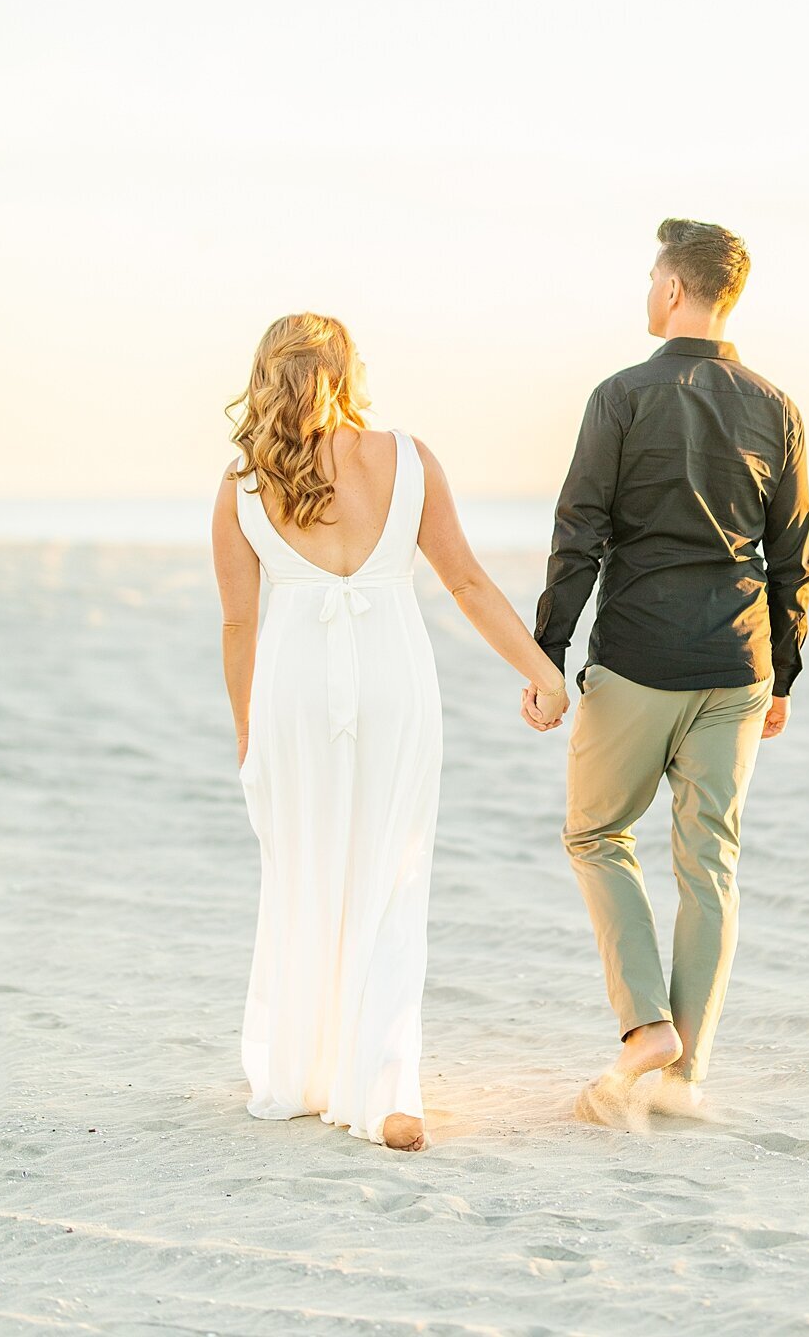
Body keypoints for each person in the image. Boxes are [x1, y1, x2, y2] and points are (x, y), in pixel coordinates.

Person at [212, 312, 569, 1151]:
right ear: (347, 371)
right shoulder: (407, 458)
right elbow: (469, 583)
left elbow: (237, 625)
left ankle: (304, 1073)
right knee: (391, 873)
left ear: (268, 375)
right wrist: (541, 671)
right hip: (396, 685)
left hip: (292, 695)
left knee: (303, 872)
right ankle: (385, 1090)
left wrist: (246, 731)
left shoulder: (241, 484)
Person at [526, 218, 809, 1119]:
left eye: (654, 275)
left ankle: (647, 1027)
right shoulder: (775, 404)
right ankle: (687, 1079)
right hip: (741, 665)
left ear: (675, 290)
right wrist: (787, 677)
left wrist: (547, 652)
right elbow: (790, 555)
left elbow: (580, 534)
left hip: (642, 658)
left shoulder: (620, 397)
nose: (648, 289)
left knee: (596, 835)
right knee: (711, 865)